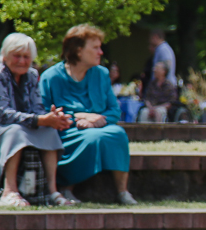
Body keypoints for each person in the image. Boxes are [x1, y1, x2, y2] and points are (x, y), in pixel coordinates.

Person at [0, 33, 74, 207]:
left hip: (12, 128)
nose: (21, 61)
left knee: (48, 130)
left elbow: (37, 109)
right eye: (16, 56)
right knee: (16, 130)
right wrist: (41, 119)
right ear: (5, 55)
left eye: (26, 57)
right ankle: (9, 192)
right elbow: (2, 115)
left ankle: (53, 192)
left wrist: (54, 118)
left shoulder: (32, 75)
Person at [40, 24, 136, 205]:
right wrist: (81, 117)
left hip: (98, 127)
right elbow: (44, 112)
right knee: (92, 138)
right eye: (95, 47)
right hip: (65, 131)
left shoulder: (101, 74)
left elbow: (114, 111)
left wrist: (94, 121)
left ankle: (123, 192)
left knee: (118, 134)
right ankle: (67, 188)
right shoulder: (51, 77)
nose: (101, 52)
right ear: (78, 50)